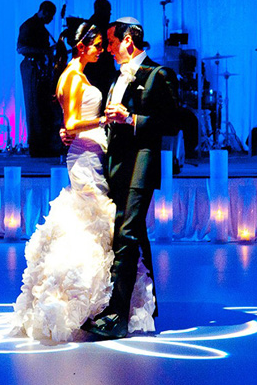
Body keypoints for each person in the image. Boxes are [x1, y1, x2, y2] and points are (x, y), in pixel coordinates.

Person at [11, 23, 156, 342]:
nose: (102, 48)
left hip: (90, 152)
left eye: (106, 43)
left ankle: (105, 300)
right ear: (81, 46)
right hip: (85, 156)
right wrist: (105, 117)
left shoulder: (79, 75)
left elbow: (70, 125)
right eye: (97, 45)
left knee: (95, 220)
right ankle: (87, 298)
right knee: (92, 221)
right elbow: (72, 122)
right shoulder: (72, 77)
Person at [83, 17, 179, 339]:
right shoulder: (116, 78)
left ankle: (117, 315)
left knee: (126, 233)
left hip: (141, 164)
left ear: (128, 40)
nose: (108, 48)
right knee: (134, 233)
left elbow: (172, 121)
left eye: (111, 42)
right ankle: (148, 304)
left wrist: (132, 118)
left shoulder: (159, 74)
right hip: (118, 165)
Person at [18, 0, 63, 157]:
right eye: (50, 16)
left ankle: (42, 146)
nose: (51, 20)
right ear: (44, 11)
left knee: (41, 108)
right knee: (34, 107)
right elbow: (21, 48)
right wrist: (44, 51)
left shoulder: (39, 27)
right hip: (31, 69)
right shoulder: (29, 25)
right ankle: (36, 147)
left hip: (39, 70)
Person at [84, 0, 117, 106]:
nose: (110, 14)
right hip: (98, 72)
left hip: (95, 71)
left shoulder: (89, 25)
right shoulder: (97, 28)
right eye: (108, 11)